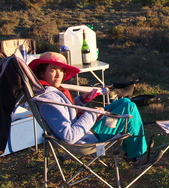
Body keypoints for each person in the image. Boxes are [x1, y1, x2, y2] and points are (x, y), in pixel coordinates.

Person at [28, 52, 158, 168]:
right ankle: (136, 156)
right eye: (53, 70)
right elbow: (69, 136)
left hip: (84, 127)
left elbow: (66, 112)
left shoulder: (49, 92)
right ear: (41, 73)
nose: (58, 75)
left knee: (124, 101)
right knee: (129, 108)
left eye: (61, 71)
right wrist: (92, 114)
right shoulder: (49, 99)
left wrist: (81, 100)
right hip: (85, 137)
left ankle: (134, 149)